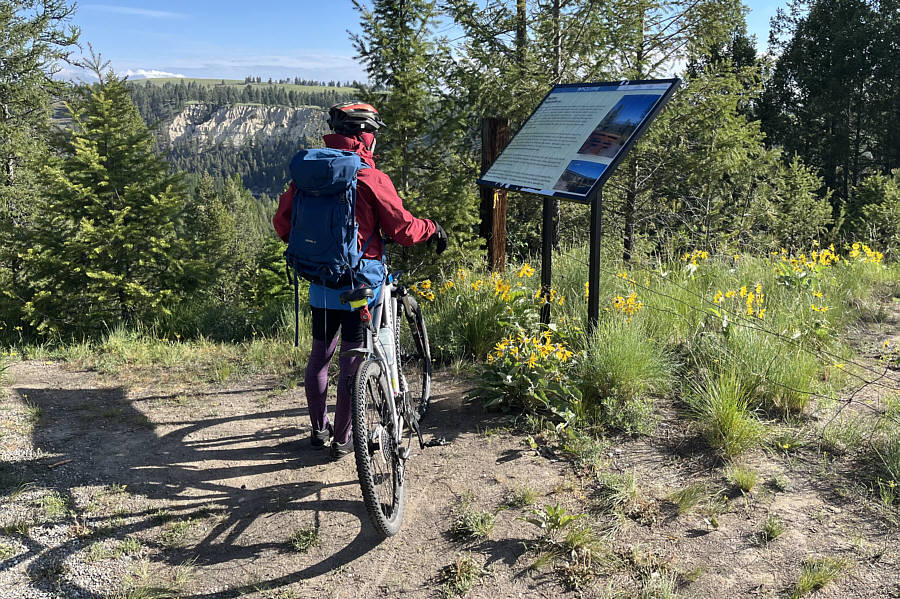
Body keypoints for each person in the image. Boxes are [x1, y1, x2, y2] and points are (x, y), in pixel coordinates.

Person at [273, 101, 448, 459]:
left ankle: (318, 430)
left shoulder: (309, 174)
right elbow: (402, 228)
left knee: (320, 356)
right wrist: (432, 230)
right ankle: (343, 439)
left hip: (319, 280)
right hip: (358, 284)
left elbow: (282, 225)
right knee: (353, 359)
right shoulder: (368, 176)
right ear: (364, 136)